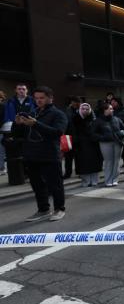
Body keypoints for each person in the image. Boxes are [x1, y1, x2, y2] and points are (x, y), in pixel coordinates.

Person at [11, 86, 68, 222]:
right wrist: (17, 124)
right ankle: (43, 209)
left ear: (50, 98)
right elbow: (18, 135)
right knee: (37, 185)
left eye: (42, 98)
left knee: (55, 185)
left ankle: (59, 209)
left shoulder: (58, 114)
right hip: (31, 155)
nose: (38, 101)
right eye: (36, 98)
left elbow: (57, 133)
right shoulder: (33, 112)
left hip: (49, 155)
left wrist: (35, 124)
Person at [91, 103, 124, 187]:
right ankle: (108, 180)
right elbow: (93, 134)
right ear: (104, 110)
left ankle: (115, 179)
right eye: (110, 108)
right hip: (105, 143)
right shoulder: (98, 121)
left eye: (112, 108)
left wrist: (121, 133)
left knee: (117, 161)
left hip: (118, 142)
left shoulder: (116, 119)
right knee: (108, 161)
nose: (112, 110)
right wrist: (103, 137)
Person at [73, 103, 102, 187]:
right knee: (83, 164)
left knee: (94, 164)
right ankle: (85, 181)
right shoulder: (75, 119)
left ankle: (94, 181)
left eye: (86, 109)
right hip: (80, 145)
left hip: (93, 144)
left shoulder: (94, 119)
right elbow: (72, 131)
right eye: (83, 109)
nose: (85, 110)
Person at [63, 96, 81, 179]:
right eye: (75, 102)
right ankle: (68, 173)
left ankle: (80, 171)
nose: (76, 104)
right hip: (69, 136)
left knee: (79, 156)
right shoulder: (67, 110)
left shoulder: (81, 110)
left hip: (79, 136)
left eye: (77, 103)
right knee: (68, 157)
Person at [0, 90, 6, 175]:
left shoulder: (3, 106)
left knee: (1, 150)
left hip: (1, 130)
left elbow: (2, 119)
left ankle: (2, 168)